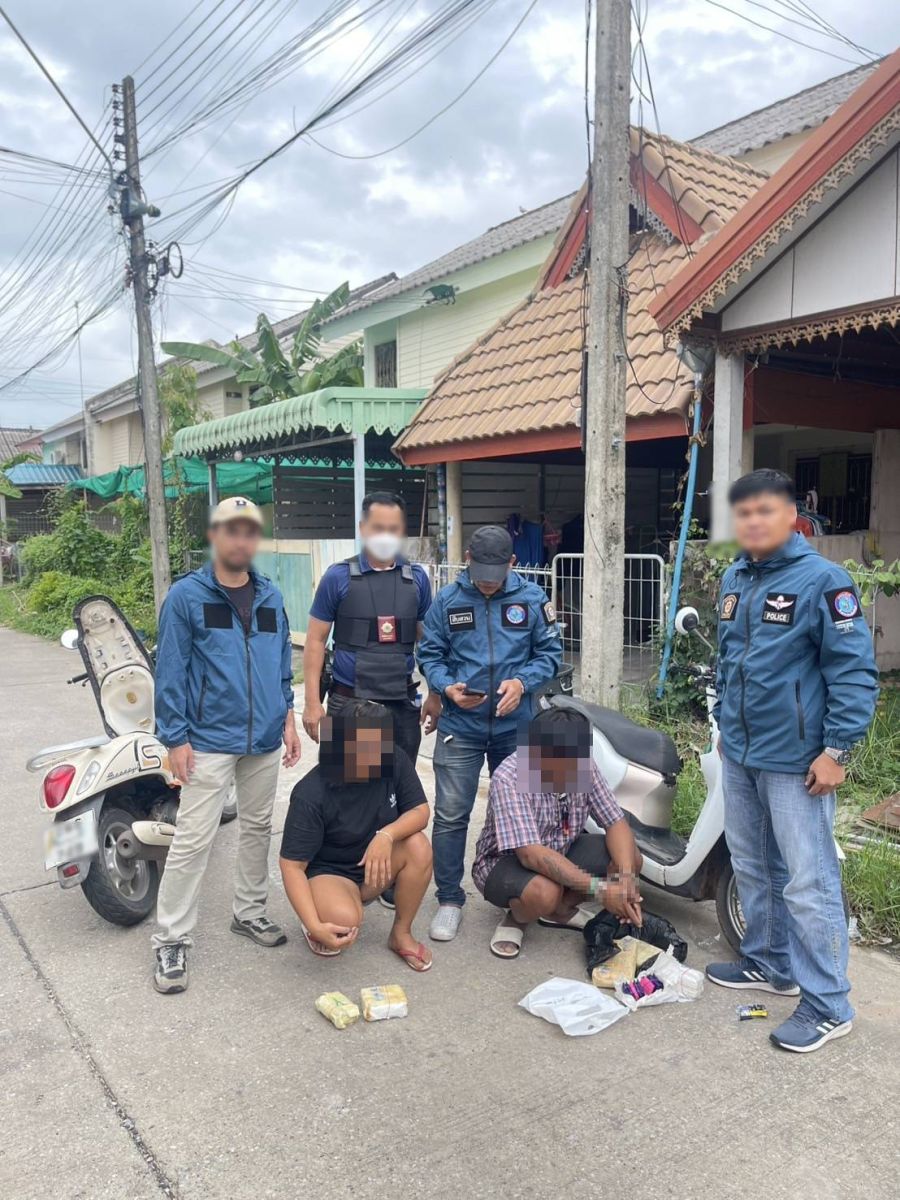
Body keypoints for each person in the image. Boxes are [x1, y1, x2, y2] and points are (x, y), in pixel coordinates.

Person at [706, 469, 879, 1053]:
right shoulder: (735, 577)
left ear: (790, 516)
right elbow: (731, 661)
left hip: (798, 762)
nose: (753, 522)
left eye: (765, 511)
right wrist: (727, 726)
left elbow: (853, 673)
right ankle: (770, 963)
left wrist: (836, 751)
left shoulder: (824, 581)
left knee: (809, 882)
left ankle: (829, 1004)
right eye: (744, 513)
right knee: (754, 865)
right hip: (742, 754)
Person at [152, 497, 301, 994]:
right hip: (208, 740)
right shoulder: (186, 597)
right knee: (194, 839)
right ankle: (171, 939)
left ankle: (249, 912)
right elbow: (170, 671)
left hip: (264, 738)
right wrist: (175, 737)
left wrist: (288, 717)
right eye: (231, 531)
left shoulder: (270, 595)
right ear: (215, 536)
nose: (241, 540)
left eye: (249, 531)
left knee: (257, 828)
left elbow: (280, 664)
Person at [417, 525, 562, 942]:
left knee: (520, 815)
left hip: (515, 726)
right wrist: (447, 687)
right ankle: (449, 899)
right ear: (467, 559)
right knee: (451, 814)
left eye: (496, 574)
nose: (487, 582)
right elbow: (429, 654)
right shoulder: (447, 601)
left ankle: (515, 898)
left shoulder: (532, 599)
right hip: (460, 726)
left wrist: (522, 683)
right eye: (480, 572)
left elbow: (550, 654)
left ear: (512, 563)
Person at [472, 708, 642, 958]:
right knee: (544, 893)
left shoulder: (583, 766)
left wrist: (625, 879)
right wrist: (601, 890)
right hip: (504, 861)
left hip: (562, 847)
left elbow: (615, 823)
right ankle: (517, 917)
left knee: (630, 856)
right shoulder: (509, 777)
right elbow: (531, 854)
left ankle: (560, 910)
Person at [279, 700, 433, 970]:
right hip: (330, 872)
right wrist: (315, 925)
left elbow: (420, 811)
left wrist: (386, 835)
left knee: (418, 846)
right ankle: (321, 912)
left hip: (376, 862)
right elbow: (291, 866)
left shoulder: (394, 758)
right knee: (345, 920)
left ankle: (401, 933)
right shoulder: (310, 793)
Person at [302, 491, 440, 763]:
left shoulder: (417, 579)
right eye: (378, 528)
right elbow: (315, 641)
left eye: (393, 529)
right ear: (363, 528)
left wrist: (435, 695)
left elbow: (429, 643)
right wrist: (311, 703)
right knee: (349, 785)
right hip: (350, 703)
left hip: (402, 705)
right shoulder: (337, 577)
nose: (385, 536)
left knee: (400, 783)